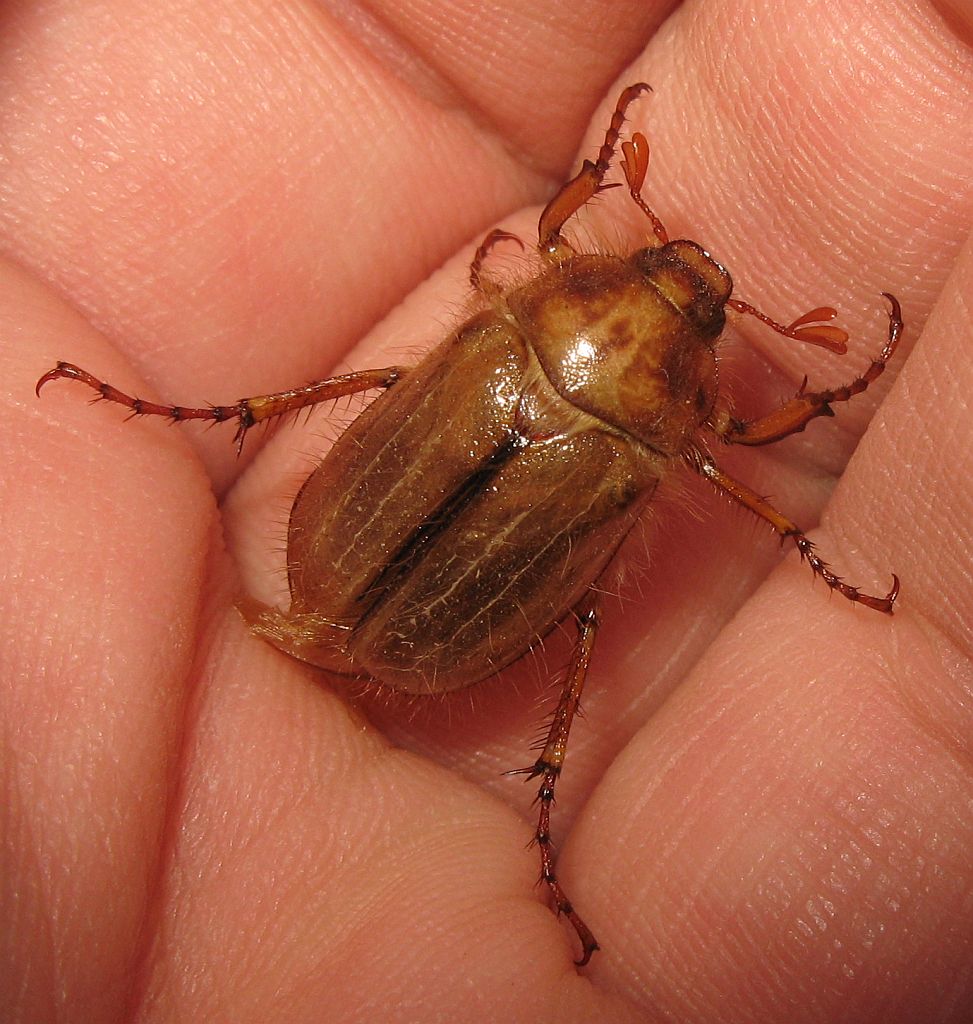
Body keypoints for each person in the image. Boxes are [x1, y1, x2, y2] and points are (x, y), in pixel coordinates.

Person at [2, 2, 971, 1021]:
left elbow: (552, 245)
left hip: (388, 584)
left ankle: (540, 781)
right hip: (406, 598)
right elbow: (732, 451)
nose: (688, 278)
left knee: (399, 395)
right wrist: (824, 429)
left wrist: (606, 180)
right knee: (585, 612)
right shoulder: (673, 435)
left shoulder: (528, 306)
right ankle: (544, 784)